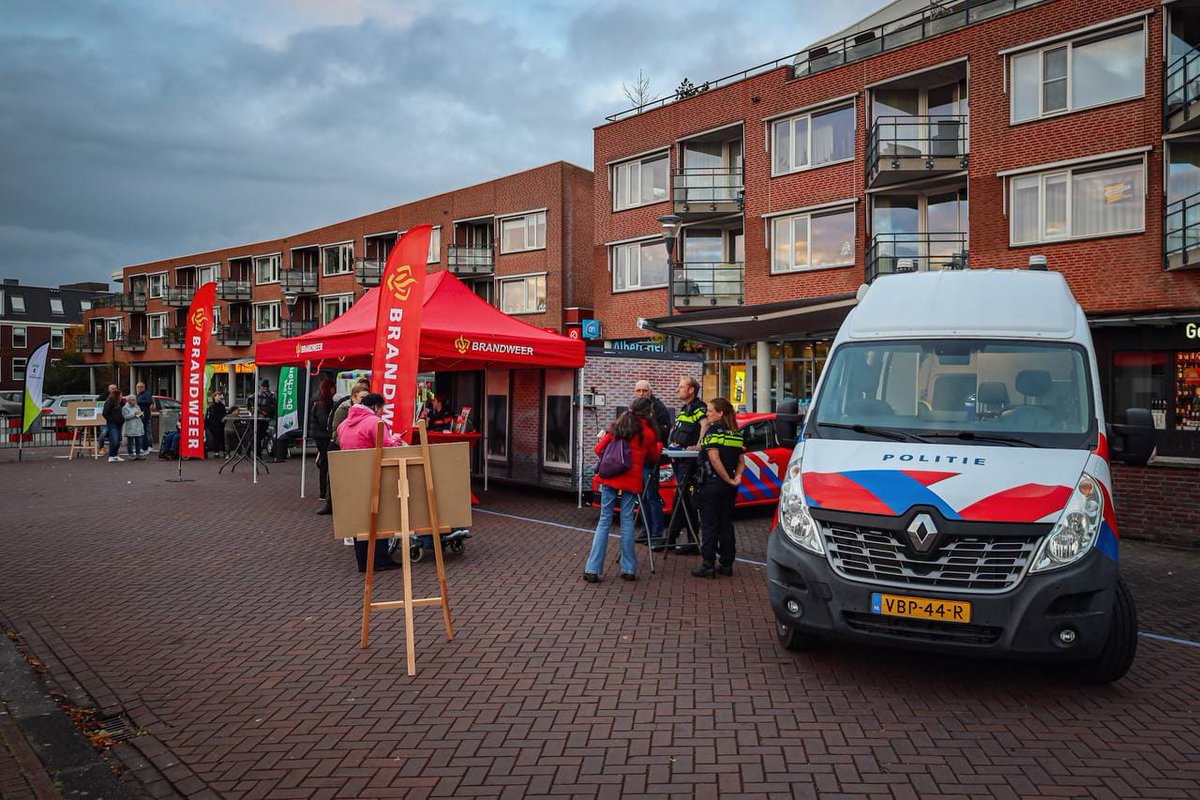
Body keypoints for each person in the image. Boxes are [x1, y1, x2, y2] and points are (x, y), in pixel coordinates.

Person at [583, 397, 662, 583]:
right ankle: (628, 569)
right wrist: (659, 446)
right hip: (631, 481)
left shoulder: (618, 426)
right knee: (627, 521)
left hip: (610, 477)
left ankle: (593, 569)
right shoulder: (648, 432)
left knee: (604, 519)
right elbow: (653, 456)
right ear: (648, 412)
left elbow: (598, 448)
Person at [336, 392, 403, 572]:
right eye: (381, 409)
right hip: (373, 475)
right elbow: (388, 447)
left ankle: (363, 561)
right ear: (376, 407)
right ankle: (380, 559)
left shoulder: (343, 425)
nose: (382, 413)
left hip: (351, 477)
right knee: (378, 517)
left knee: (360, 520)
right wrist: (396, 438)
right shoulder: (375, 423)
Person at [692, 398, 745, 579]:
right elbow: (741, 461)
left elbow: (714, 459)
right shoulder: (736, 433)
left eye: (710, 411)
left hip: (712, 484)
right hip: (728, 488)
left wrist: (727, 479)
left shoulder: (713, 431)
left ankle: (708, 564)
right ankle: (726, 563)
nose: (707, 414)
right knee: (726, 524)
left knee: (709, 525)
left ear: (720, 413)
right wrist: (735, 478)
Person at [661, 376, 708, 553]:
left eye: (681, 387)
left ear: (691, 390)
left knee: (681, 498)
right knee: (685, 500)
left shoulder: (698, 407)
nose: (678, 389)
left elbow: (705, 424)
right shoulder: (684, 409)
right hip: (680, 459)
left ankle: (673, 537)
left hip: (690, 462)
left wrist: (699, 445)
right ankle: (690, 540)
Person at [318, 382, 370, 516]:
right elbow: (337, 430)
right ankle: (330, 503)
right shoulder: (344, 409)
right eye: (361, 398)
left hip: (356, 448)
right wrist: (344, 444)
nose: (364, 401)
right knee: (335, 476)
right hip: (339, 446)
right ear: (354, 397)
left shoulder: (367, 410)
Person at [633, 381, 672, 547]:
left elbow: (662, 433)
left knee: (652, 495)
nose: (641, 393)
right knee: (641, 495)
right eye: (638, 390)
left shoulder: (658, 408)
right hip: (640, 459)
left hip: (650, 458)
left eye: (644, 390)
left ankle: (656, 532)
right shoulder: (635, 408)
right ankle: (645, 529)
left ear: (650, 391)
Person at [309, 378, 337, 507]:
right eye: (334, 387)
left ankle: (324, 491)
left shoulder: (318, 400)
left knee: (324, 462)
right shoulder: (323, 402)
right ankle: (324, 492)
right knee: (325, 463)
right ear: (330, 388)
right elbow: (324, 421)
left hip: (318, 435)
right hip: (323, 436)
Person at [102, 388, 125, 462]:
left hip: (119, 422)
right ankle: (111, 455)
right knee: (114, 439)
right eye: (120, 395)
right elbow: (105, 413)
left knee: (118, 439)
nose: (122, 396)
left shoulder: (119, 402)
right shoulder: (109, 402)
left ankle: (115, 455)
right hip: (112, 423)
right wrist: (111, 419)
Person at [256, 379, 277, 457]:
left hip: (260, 418)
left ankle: (258, 454)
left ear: (261, 387)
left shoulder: (259, 394)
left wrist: (260, 412)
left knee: (257, 436)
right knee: (263, 435)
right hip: (269, 419)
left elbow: (256, 407)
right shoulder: (273, 394)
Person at [121, 395, 146, 460]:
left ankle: (138, 454)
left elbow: (140, 414)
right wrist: (134, 414)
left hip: (138, 425)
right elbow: (125, 417)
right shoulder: (125, 408)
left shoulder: (137, 406)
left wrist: (141, 414)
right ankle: (131, 454)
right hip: (130, 426)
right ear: (128, 400)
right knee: (130, 441)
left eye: (135, 399)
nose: (134, 401)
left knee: (139, 441)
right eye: (132, 400)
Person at [96, 384, 118, 454]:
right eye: (113, 388)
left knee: (114, 434)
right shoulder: (103, 396)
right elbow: (97, 403)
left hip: (114, 418)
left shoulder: (117, 396)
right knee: (103, 432)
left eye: (115, 388)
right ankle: (100, 447)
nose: (114, 390)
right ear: (109, 389)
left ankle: (113, 449)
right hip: (104, 418)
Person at [205, 390, 228, 457]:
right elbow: (211, 416)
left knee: (222, 437)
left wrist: (224, 418)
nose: (219, 397)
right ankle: (216, 451)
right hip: (214, 424)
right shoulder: (212, 406)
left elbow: (224, 413)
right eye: (218, 396)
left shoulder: (222, 406)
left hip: (221, 423)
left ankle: (224, 451)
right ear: (214, 397)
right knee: (216, 438)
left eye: (220, 396)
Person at [135, 382, 154, 453]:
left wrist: (139, 402)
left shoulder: (147, 394)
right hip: (140, 414)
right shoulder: (138, 395)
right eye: (137, 387)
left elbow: (149, 401)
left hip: (145, 414)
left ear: (143, 387)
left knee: (145, 430)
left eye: (140, 387)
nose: (139, 388)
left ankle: (147, 446)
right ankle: (143, 446)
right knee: (143, 430)